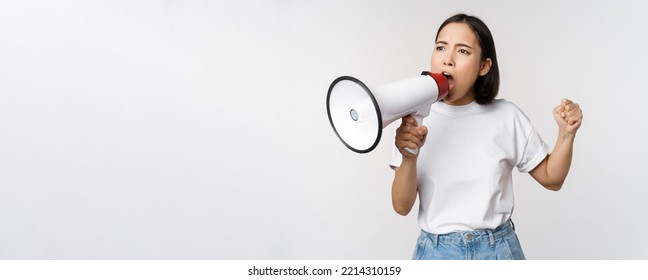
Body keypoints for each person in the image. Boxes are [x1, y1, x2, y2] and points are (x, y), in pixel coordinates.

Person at [390, 13, 583, 260]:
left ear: (484, 66)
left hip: (497, 252)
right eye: (441, 47)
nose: (447, 60)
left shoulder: (506, 116)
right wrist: (409, 156)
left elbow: (552, 178)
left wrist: (566, 134)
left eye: (463, 51)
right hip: (435, 255)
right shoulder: (416, 118)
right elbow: (401, 206)